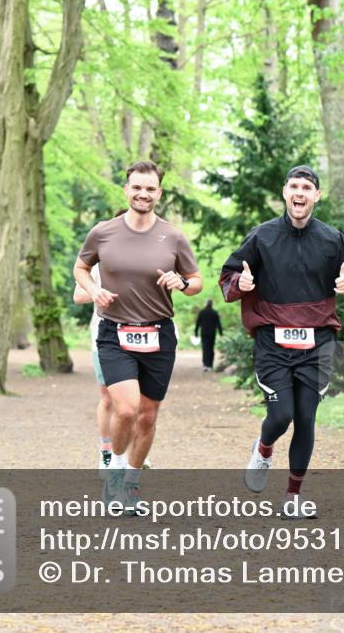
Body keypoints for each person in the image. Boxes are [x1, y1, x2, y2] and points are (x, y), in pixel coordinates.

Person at [219, 164, 344, 519]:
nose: (300, 193)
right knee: (281, 415)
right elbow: (229, 276)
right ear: (285, 193)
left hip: (317, 343)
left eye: (307, 188)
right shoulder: (262, 237)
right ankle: (264, 448)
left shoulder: (333, 240)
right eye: (294, 187)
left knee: (305, 418)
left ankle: (292, 496)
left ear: (317, 195)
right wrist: (240, 284)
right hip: (272, 343)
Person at [74, 160, 202, 513]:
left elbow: (196, 281)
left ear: (159, 193)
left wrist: (182, 282)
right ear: (126, 189)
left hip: (159, 333)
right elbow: (81, 267)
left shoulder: (173, 236)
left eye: (150, 188)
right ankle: (114, 473)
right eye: (137, 187)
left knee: (147, 415)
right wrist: (93, 290)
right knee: (127, 408)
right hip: (114, 332)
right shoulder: (103, 232)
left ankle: (130, 486)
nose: (143, 194)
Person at [72, 259, 150, 477]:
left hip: (142, 338)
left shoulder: (145, 258)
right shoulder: (98, 262)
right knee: (108, 398)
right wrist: (98, 292)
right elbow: (78, 296)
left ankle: (134, 451)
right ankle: (106, 451)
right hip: (105, 339)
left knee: (137, 400)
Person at [194, 300, 223, 371]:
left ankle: (205, 364)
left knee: (205, 348)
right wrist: (220, 333)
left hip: (204, 333)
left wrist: (196, 332)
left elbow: (198, 323)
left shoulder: (202, 312)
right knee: (211, 348)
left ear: (206, 304)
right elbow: (218, 323)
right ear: (212, 304)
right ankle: (210, 365)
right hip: (212, 333)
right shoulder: (215, 312)